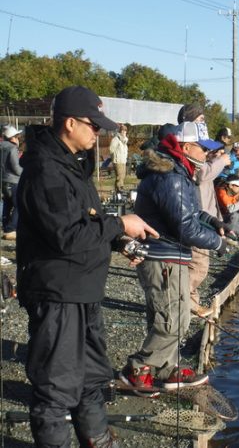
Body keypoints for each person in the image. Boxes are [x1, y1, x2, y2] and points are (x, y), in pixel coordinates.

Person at [16, 85, 158, 448]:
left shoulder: (74, 166)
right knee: (55, 390)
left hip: (84, 292)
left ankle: (98, 440)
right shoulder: (45, 170)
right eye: (93, 126)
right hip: (59, 295)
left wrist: (119, 240)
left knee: (93, 379)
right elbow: (67, 236)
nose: (99, 133)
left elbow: (88, 220)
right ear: (69, 123)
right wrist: (119, 225)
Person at [120, 121, 227, 392]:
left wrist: (214, 222)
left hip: (172, 257)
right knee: (171, 322)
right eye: (203, 148)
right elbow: (185, 227)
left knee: (176, 318)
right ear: (186, 146)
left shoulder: (180, 172)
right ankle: (137, 368)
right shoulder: (170, 176)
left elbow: (189, 212)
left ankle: (166, 369)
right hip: (161, 257)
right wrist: (218, 244)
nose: (207, 154)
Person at [189, 141, 232, 317]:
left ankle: (190, 303)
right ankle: (187, 305)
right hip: (198, 224)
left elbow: (212, 199)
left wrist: (220, 223)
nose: (209, 153)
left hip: (207, 222)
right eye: (206, 150)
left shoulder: (207, 168)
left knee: (198, 265)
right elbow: (202, 176)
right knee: (198, 266)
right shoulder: (198, 168)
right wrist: (221, 161)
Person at [0, 125, 23, 240]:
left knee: (7, 205)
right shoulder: (12, 148)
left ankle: (5, 227)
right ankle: (11, 229)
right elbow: (15, 166)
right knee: (19, 205)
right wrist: (25, 172)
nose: (18, 138)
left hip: (3, 181)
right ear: (12, 137)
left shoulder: (1, 147)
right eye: (16, 136)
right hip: (13, 180)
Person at [216, 174, 239, 238]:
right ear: (231, 186)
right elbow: (230, 209)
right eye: (238, 186)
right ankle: (227, 233)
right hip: (219, 217)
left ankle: (228, 230)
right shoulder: (221, 192)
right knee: (234, 215)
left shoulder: (234, 193)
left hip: (228, 218)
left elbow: (238, 210)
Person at [109, 123, 128, 192]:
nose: (124, 132)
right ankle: (120, 189)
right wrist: (114, 157)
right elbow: (111, 149)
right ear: (120, 131)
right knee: (119, 176)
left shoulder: (125, 140)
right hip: (117, 160)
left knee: (123, 176)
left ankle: (118, 190)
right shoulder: (116, 139)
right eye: (122, 130)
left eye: (125, 130)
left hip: (123, 160)